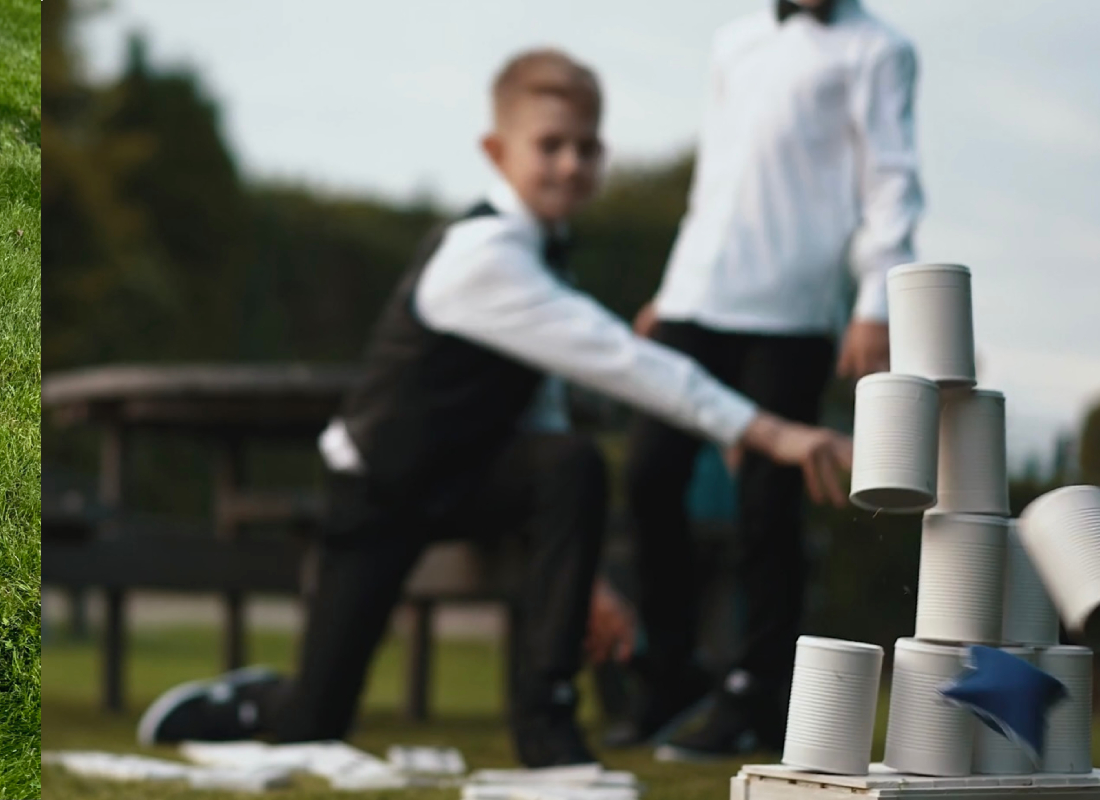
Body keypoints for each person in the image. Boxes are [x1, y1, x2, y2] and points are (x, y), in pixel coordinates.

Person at [137, 48, 856, 769]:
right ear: (496, 149)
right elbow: (621, 356)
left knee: (571, 462)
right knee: (312, 726)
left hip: (471, 483)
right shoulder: (483, 255)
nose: (572, 164)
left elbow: (542, 418)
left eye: (587, 147)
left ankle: (548, 728)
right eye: (551, 145)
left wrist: (584, 582)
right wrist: (768, 430)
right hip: (379, 491)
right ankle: (255, 701)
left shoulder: (546, 253)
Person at [620, 0, 922, 761]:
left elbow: (892, 181)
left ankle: (757, 695)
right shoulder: (734, 43)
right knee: (650, 474)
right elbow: (716, 179)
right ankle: (672, 672)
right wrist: (671, 286)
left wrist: (875, 302)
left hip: (791, 310)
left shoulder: (879, 51)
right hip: (697, 297)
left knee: (766, 502)